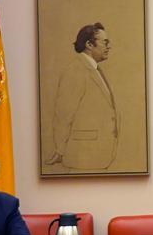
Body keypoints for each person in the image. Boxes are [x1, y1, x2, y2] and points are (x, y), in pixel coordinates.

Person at [47, 22, 119, 171]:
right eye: (105, 42)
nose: (109, 46)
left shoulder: (94, 69)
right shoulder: (75, 71)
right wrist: (60, 150)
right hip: (83, 157)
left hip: (96, 156)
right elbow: (63, 115)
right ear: (89, 44)